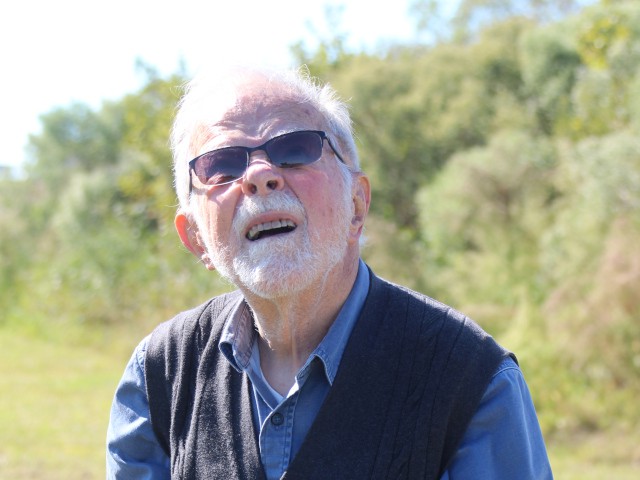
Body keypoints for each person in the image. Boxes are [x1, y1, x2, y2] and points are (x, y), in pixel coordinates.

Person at [106, 65, 553, 479]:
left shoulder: (472, 382)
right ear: (195, 237)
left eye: (294, 150)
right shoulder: (158, 377)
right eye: (221, 165)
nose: (260, 175)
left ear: (356, 204)